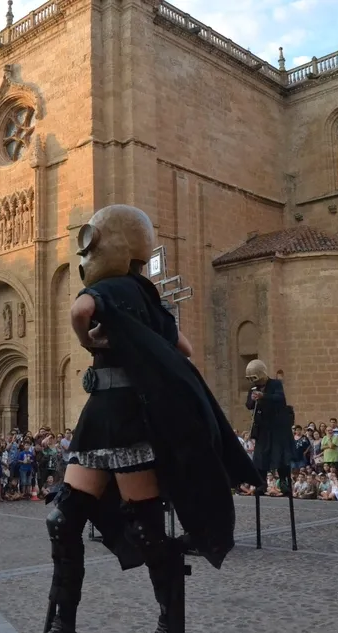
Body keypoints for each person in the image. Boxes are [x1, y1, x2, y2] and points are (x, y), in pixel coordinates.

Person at [43, 204, 259, 633]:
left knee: (72, 522)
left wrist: (89, 342)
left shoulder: (115, 288)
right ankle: (156, 621)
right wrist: (139, 341)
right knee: (129, 525)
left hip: (113, 416)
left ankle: (71, 623)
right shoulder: (147, 297)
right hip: (117, 417)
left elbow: (79, 311)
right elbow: (185, 349)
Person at [244, 358, 296, 550]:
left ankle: (284, 482)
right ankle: (261, 483)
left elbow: (280, 399)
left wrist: (263, 396)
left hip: (278, 430)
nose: (254, 383)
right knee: (260, 458)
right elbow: (249, 405)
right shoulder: (253, 388)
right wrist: (254, 398)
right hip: (263, 431)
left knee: (281, 458)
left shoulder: (275, 384)